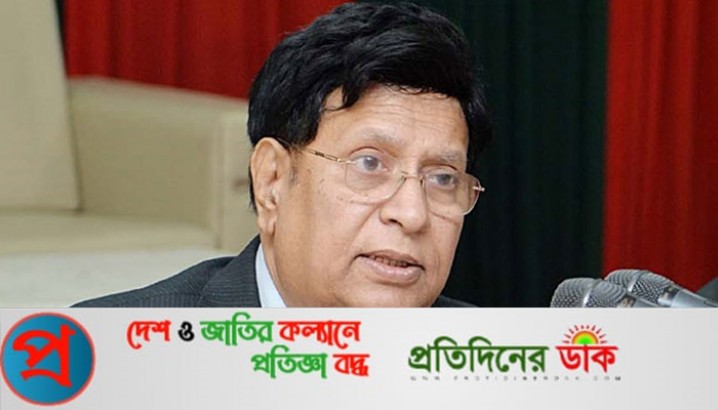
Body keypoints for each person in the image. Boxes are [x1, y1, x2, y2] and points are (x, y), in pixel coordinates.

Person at [76, 2, 492, 308]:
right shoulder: (110, 355)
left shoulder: (497, 362)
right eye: (369, 163)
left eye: (443, 178)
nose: (412, 214)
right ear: (271, 181)